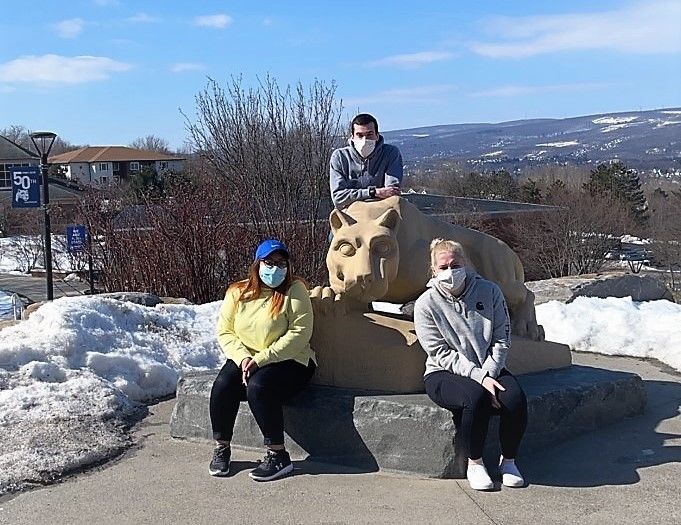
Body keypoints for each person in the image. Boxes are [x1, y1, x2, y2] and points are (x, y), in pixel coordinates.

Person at [413, 239, 528, 490]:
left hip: (489, 366)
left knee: (515, 398)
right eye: (443, 267)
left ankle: (508, 461)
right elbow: (439, 352)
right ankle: (475, 464)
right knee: (475, 398)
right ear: (433, 270)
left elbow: (501, 337)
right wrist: (480, 378)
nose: (450, 271)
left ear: (465, 263)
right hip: (444, 372)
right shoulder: (426, 304)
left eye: (455, 265)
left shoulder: (490, 292)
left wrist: (489, 372)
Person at [209, 239, 316, 481]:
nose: (275, 268)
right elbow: (225, 331)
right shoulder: (238, 292)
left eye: (281, 263)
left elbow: (300, 333)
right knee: (224, 384)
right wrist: (243, 358)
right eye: (269, 262)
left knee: (259, 387)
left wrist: (262, 359)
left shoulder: (295, 290)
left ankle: (278, 455)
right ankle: (221, 448)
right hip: (247, 357)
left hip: (290, 360)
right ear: (257, 264)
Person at [329, 113, 403, 209]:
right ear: (352, 137)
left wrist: (353, 196)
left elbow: (391, 193)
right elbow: (338, 198)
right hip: (349, 215)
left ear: (377, 135)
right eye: (359, 135)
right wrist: (374, 192)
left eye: (369, 134)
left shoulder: (390, 153)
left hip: (381, 212)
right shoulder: (340, 157)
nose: (364, 140)